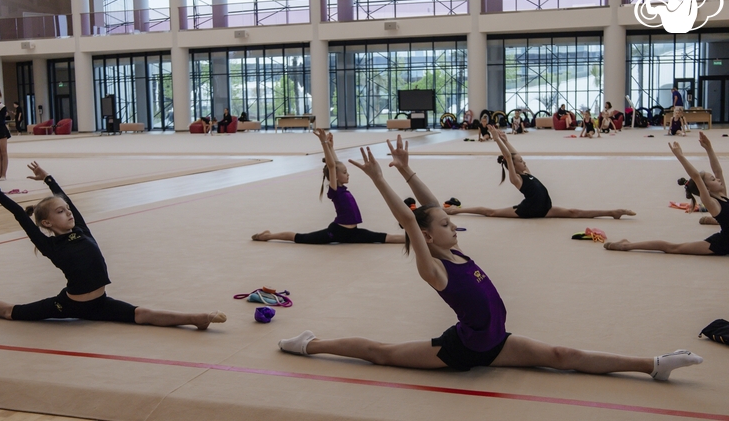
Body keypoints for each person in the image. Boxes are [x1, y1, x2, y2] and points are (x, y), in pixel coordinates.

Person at [277, 136, 702, 381]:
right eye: (443, 224)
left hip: (496, 341)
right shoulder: (435, 267)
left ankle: (654, 365)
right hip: (460, 352)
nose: (451, 224)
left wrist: (407, 170)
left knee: (561, 355)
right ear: (427, 235)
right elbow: (410, 218)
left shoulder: (457, 252)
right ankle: (309, 345)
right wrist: (381, 179)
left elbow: (427, 207)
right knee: (380, 352)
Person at [0, 162, 226, 329]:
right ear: (46, 224)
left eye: (67, 209)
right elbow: (19, 214)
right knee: (11, 312)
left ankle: (196, 318)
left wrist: (48, 178)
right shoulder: (50, 246)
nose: (68, 212)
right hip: (66, 305)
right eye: (60, 212)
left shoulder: (81, 230)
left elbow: (66, 199)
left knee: (142, 314)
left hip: (100, 303)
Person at [251, 129, 404, 244]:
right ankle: (268, 236)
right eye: (345, 172)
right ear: (336, 177)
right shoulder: (335, 190)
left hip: (354, 233)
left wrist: (331, 147)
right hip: (336, 232)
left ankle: (419, 239)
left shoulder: (341, 187)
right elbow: (332, 166)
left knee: (386, 238)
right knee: (300, 238)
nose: (348, 174)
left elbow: (335, 165)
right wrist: (324, 143)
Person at [446, 126, 635, 219]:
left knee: (573, 212)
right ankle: (457, 210)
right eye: (520, 161)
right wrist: (497, 141)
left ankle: (613, 212)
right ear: (514, 165)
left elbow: (514, 154)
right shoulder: (516, 178)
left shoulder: (526, 171)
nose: (523, 160)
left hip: (544, 207)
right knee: (492, 212)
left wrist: (505, 138)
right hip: (529, 210)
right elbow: (510, 157)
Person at [605, 133, 729, 255]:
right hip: (722, 244)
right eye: (713, 180)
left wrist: (709, 148)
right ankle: (626, 245)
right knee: (673, 248)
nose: (718, 179)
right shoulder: (712, 203)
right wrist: (679, 156)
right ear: (706, 189)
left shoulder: (721, 194)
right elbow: (696, 176)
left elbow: (718, 171)